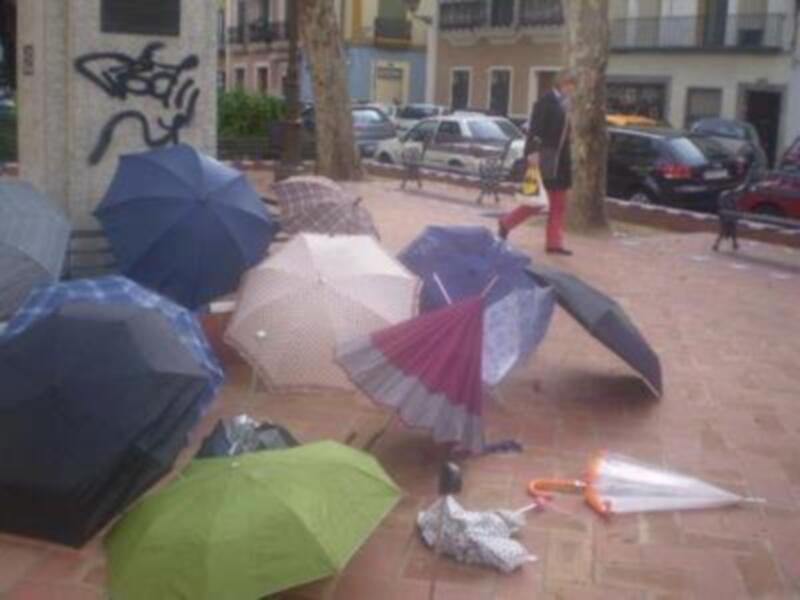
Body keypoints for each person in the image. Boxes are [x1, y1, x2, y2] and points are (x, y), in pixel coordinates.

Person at [498, 68, 576, 255]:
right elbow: (535, 130)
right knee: (537, 201)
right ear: (563, 83)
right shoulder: (545, 102)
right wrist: (532, 153)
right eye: (571, 85)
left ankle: (554, 243)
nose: (573, 90)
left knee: (558, 203)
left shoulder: (563, 103)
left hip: (560, 160)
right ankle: (507, 222)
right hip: (547, 159)